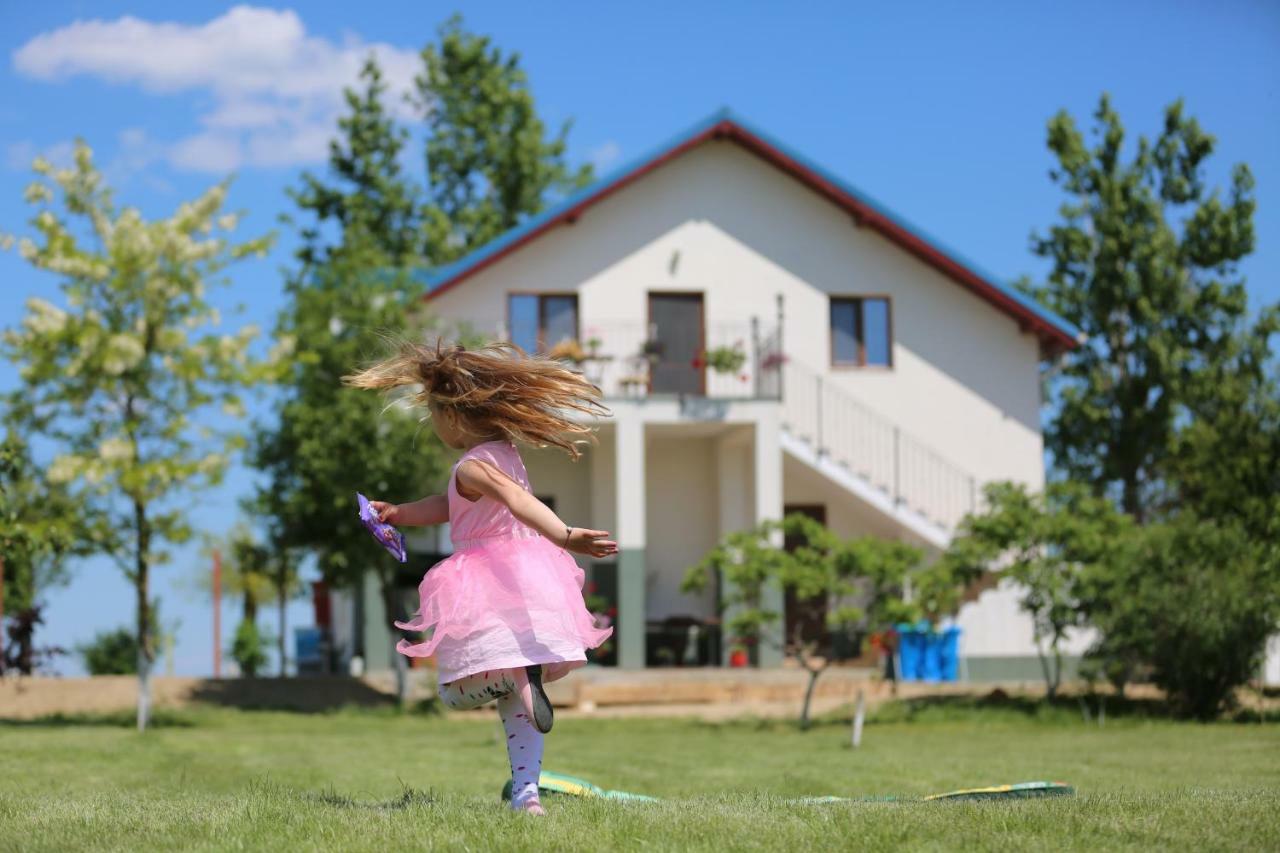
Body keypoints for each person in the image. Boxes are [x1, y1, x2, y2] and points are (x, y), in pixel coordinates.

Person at [346, 340, 616, 816]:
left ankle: (516, 677)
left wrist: (566, 534)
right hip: (527, 576)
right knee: (516, 706)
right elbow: (449, 504)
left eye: (432, 416)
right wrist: (399, 513)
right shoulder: (504, 454)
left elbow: (518, 503)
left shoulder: (472, 465)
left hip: (485, 577)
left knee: (453, 692)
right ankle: (526, 794)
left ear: (452, 417)